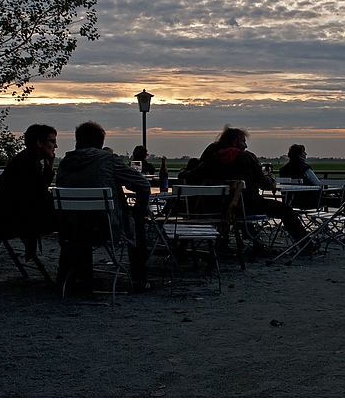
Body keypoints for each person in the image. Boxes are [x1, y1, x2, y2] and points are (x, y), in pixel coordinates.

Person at [55, 121, 153, 294]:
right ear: (101, 144)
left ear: (77, 142)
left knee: (84, 217)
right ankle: (139, 279)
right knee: (136, 223)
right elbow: (143, 186)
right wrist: (138, 212)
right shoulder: (108, 160)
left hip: (71, 229)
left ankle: (76, 278)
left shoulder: (65, 162)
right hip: (106, 228)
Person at [185, 126, 315, 253]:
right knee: (285, 210)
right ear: (235, 142)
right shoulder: (246, 157)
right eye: (244, 142)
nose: (245, 146)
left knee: (237, 205)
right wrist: (271, 180)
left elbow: (190, 176)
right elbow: (264, 184)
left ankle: (247, 244)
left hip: (216, 207)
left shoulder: (211, 158)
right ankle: (306, 245)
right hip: (248, 206)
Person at [0, 124, 58, 261]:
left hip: (7, 219)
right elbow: (37, 197)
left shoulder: (25, 160)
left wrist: (48, 171)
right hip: (13, 222)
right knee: (72, 222)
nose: (55, 146)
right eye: (52, 141)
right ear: (40, 143)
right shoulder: (29, 164)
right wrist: (48, 172)